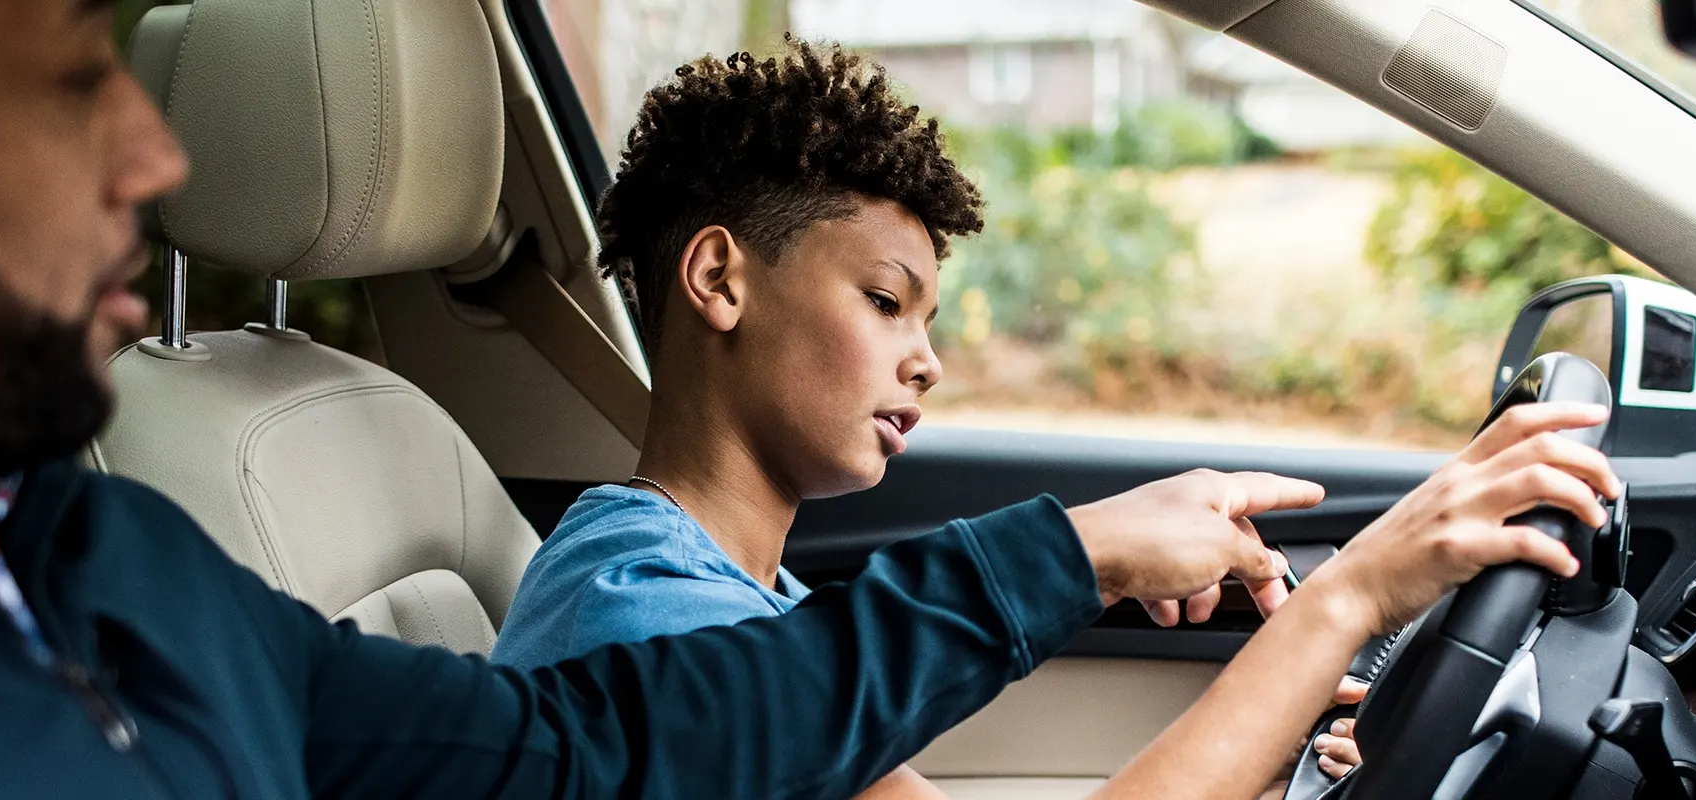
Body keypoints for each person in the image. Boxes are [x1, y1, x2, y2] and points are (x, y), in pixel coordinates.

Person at [0, 0, 1619, 797]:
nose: (151, 152)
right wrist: (1344, 600)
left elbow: (596, 754)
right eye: (67, 74)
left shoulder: (93, 547)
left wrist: (1063, 552)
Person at [488, 41, 1389, 797]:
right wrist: (1343, 606)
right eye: (886, 301)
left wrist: (1276, 770)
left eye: (929, 323)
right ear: (721, 281)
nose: (929, 361)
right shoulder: (647, 610)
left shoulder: (749, 597)